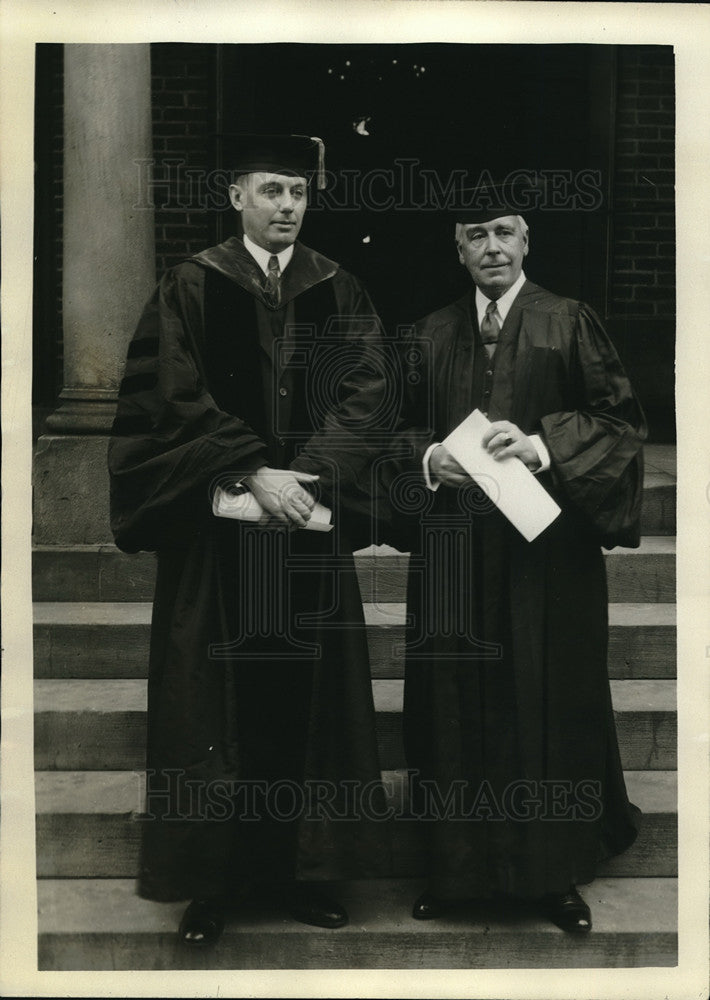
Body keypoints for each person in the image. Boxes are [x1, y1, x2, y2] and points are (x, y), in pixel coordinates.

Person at [108, 134, 392, 947]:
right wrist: (250, 468)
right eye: (270, 190)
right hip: (219, 536)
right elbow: (171, 396)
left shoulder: (339, 288)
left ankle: (305, 872)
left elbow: (369, 392)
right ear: (236, 197)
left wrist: (302, 474)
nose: (287, 206)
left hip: (305, 524)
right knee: (214, 704)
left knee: (308, 705)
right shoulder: (191, 286)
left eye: (298, 192)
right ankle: (210, 884)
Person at [386, 181, 647, 933]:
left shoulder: (569, 322)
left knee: (548, 702)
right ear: (458, 247)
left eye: (504, 233)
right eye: (477, 235)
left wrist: (541, 446)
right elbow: (389, 431)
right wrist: (431, 457)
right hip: (452, 555)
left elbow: (620, 421)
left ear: (527, 240)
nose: (492, 248)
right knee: (452, 706)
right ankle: (456, 872)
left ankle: (554, 875)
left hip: (547, 560)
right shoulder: (428, 334)